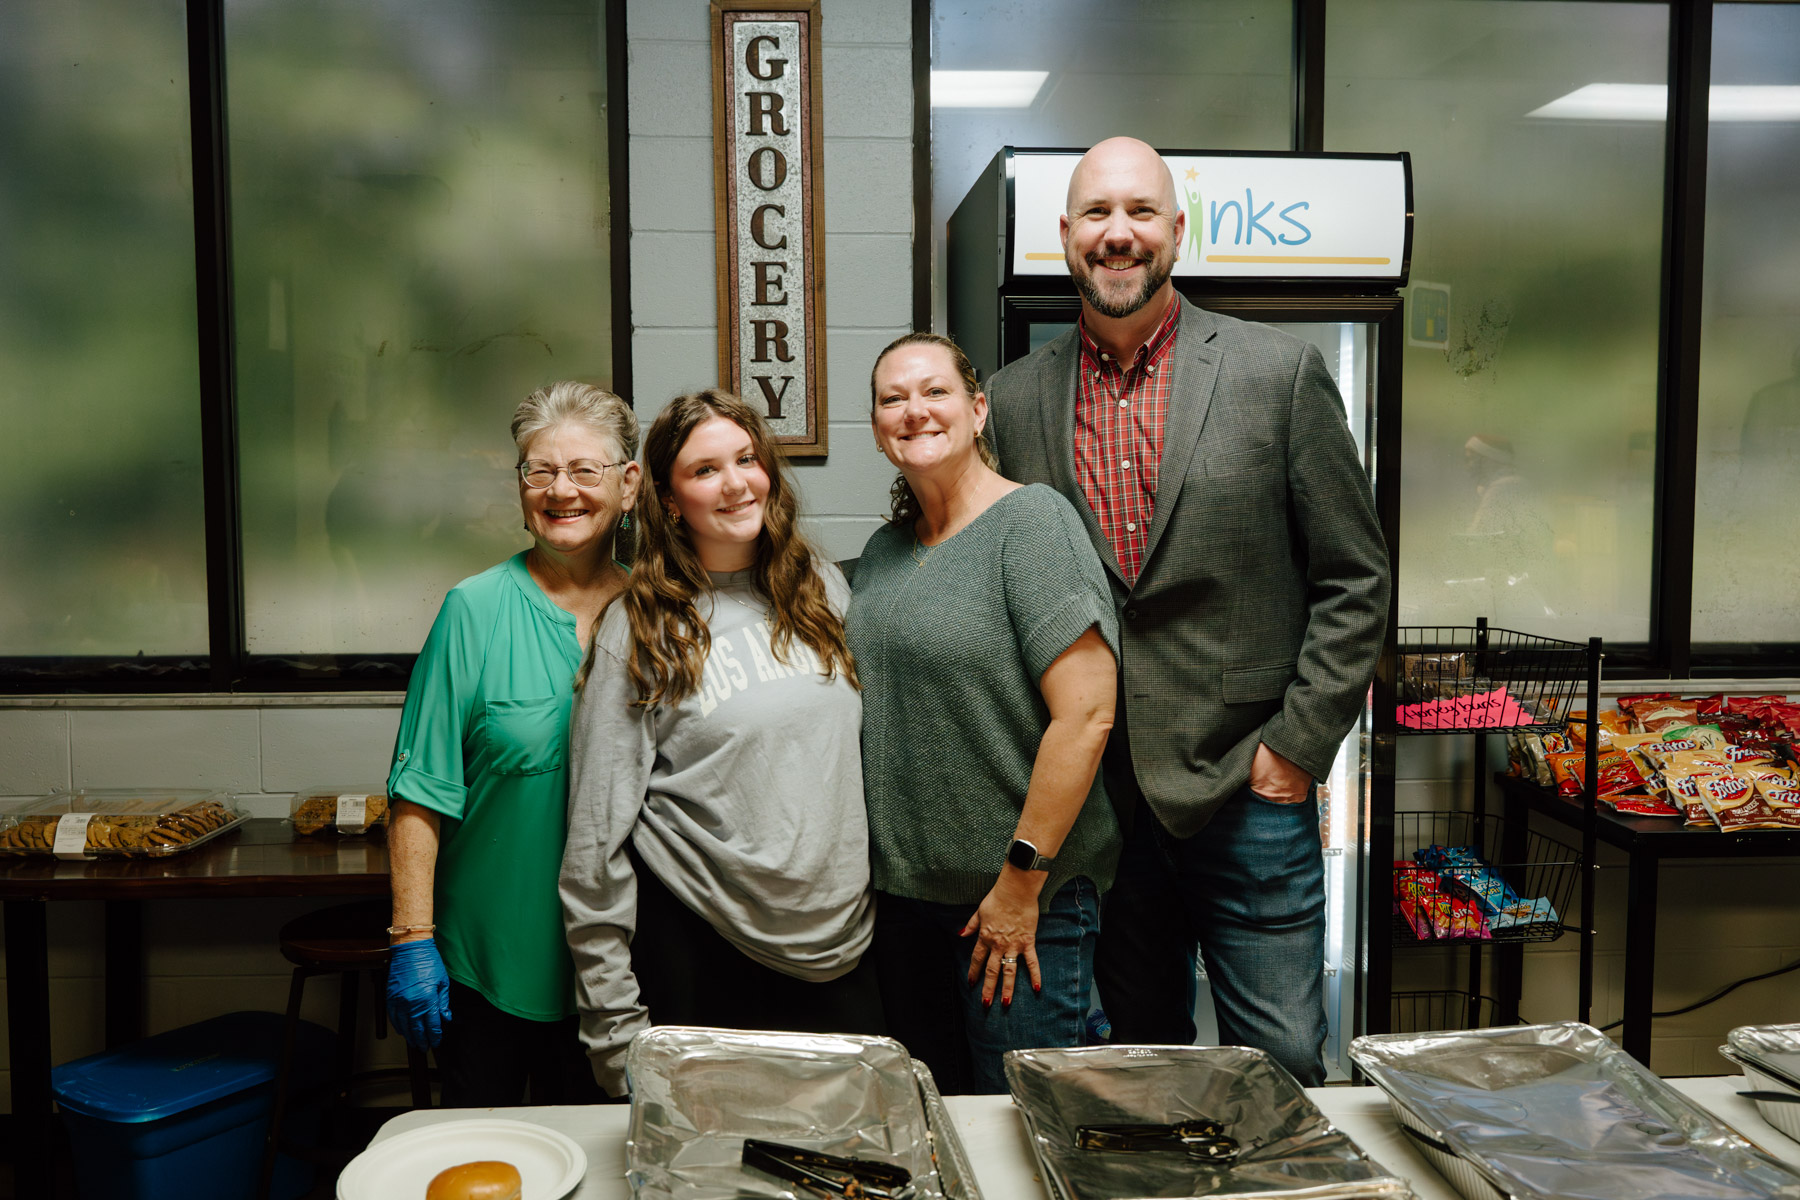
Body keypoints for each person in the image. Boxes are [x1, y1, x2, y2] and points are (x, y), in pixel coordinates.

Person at [983, 136, 1390, 1087]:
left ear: (1177, 229)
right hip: (1102, 805)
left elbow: (1355, 575)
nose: (1116, 234)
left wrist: (1296, 747)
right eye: (1095, 214)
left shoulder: (1273, 373)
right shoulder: (1011, 400)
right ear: (1064, 237)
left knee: (1283, 1057)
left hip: (1248, 786)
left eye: (1138, 213)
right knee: (1136, 1059)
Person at [560, 390, 882, 1098]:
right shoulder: (639, 628)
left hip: (839, 946)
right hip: (706, 949)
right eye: (705, 471)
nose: (736, 483)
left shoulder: (822, 591)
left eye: (746, 460)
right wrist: (612, 1027)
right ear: (670, 500)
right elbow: (593, 841)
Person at [847, 332, 1121, 1095]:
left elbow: (1087, 716)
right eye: (892, 398)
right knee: (933, 1128)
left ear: (976, 411)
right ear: (876, 427)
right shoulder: (883, 552)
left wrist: (1020, 882)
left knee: (1018, 1128)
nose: (914, 410)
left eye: (934, 391)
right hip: (906, 908)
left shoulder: (1032, 524)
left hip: (1020, 905)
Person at [384, 380, 640, 1106]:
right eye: (541, 470)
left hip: (619, 968)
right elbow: (419, 789)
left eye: (585, 470)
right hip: (486, 963)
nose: (562, 490)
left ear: (628, 485)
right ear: (521, 486)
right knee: (482, 1158)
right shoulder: (474, 609)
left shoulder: (656, 609)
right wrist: (411, 938)